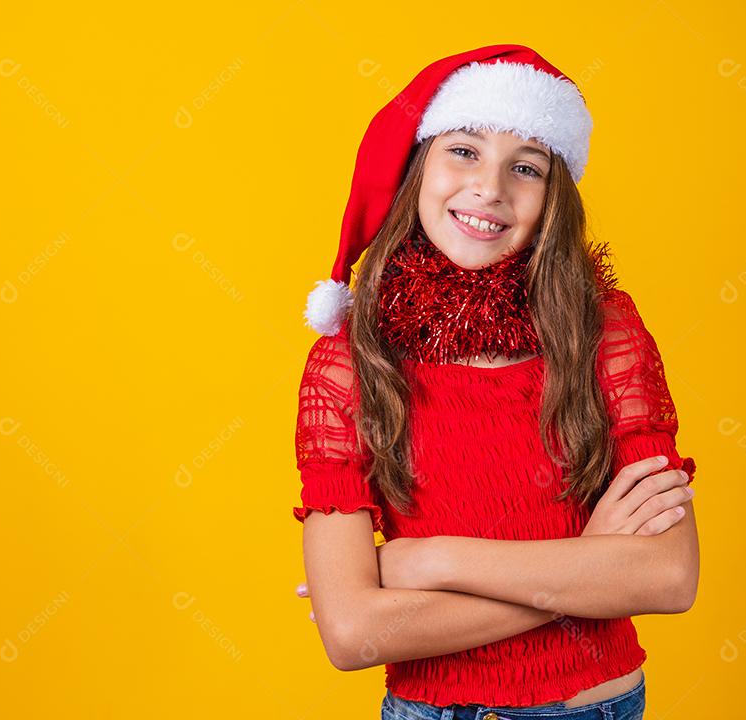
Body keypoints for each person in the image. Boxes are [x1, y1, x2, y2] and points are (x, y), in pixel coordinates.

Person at [289, 45, 699, 720]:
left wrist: (428, 563)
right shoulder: (349, 363)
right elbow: (355, 632)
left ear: (553, 196)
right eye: (465, 151)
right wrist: (590, 568)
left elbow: (667, 575)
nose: (491, 188)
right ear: (419, 168)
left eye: (527, 167)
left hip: (594, 706)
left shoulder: (605, 332)